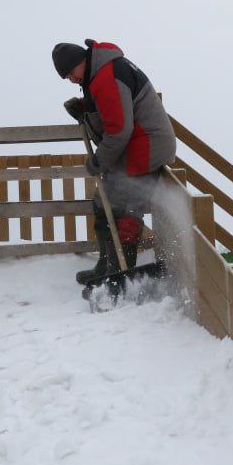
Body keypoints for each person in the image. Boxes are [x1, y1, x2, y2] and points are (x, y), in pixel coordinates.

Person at [51, 40, 177, 284]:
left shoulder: (107, 76)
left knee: (125, 209)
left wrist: (100, 161)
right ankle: (107, 266)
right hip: (131, 147)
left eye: (70, 74)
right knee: (103, 202)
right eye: (66, 77)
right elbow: (111, 114)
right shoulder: (99, 73)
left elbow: (119, 129)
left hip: (145, 147)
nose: (72, 80)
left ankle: (121, 273)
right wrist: (86, 111)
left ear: (81, 62)